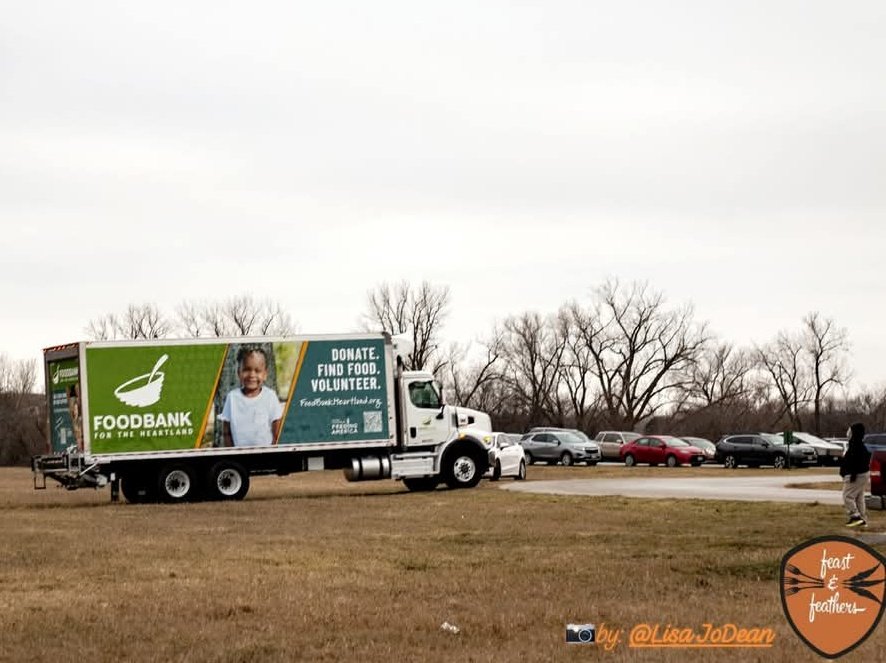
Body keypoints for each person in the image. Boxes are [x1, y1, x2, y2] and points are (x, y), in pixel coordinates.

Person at [219, 347, 283, 447]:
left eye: (257, 371)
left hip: (265, 454)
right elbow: (227, 433)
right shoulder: (232, 398)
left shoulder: (270, 397)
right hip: (239, 455)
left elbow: (277, 432)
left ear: (265, 374)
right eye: (246, 370)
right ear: (239, 373)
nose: (252, 375)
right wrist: (231, 453)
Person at [839, 422, 872, 527]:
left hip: (856, 475)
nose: (849, 433)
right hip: (863, 475)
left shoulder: (855, 446)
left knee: (847, 496)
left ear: (855, 433)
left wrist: (851, 475)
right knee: (859, 497)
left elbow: (854, 462)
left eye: (851, 431)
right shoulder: (859, 446)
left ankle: (855, 516)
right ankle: (862, 519)